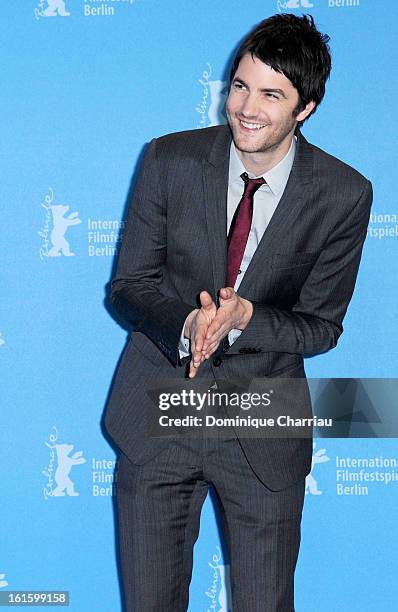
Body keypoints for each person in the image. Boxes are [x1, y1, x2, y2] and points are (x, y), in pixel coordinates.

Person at [104, 13, 372, 611]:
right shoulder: (168, 160)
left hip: (261, 419)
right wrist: (188, 323)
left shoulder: (343, 193)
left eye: (271, 94)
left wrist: (247, 315)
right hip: (160, 413)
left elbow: (322, 326)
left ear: (305, 108)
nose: (247, 107)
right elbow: (128, 285)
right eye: (240, 86)